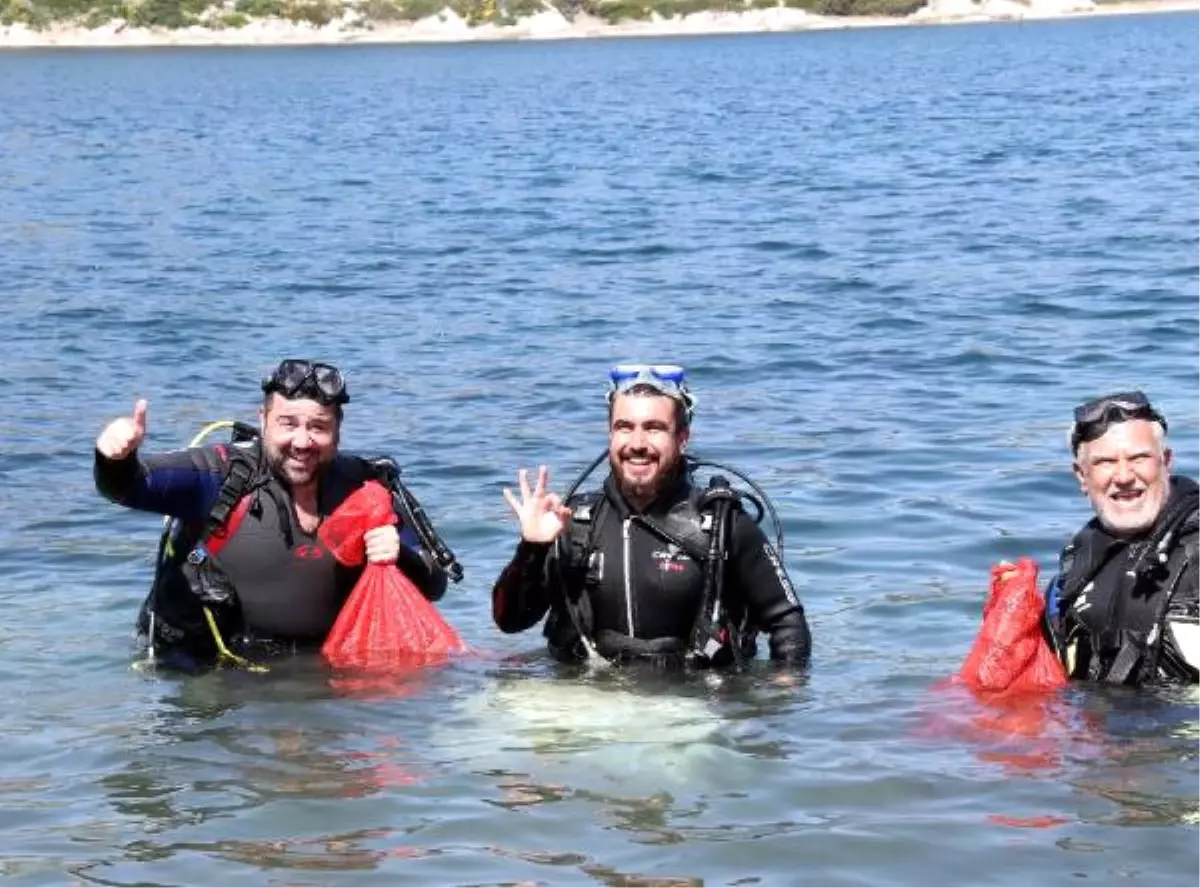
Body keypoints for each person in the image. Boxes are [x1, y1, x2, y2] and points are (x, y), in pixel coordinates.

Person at [95, 359, 457, 672]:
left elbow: (435, 584)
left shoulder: (362, 488)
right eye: (288, 423)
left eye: (318, 427)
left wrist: (402, 556)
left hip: (320, 673)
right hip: (213, 674)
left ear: (338, 430)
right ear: (263, 419)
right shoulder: (220, 475)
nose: (302, 442)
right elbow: (130, 488)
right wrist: (115, 459)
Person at [491, 363, 811, 671]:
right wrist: (531, 549)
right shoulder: (574, 524)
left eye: (654, 428)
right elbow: (510, 621)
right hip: (589, 701)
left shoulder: (722, 527)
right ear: (610, 435)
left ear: (682, 438)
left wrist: (771, 710)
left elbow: (789, 627)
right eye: (624, 427)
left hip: (691, 706)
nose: (638, 444)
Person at [1045, 390, 1200, 686]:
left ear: (1165, 462)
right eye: (1105, 462)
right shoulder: (1068, 580)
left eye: (1139, 457)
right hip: (1092, 728)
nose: (1124, 475)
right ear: (1081, 476)